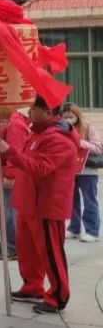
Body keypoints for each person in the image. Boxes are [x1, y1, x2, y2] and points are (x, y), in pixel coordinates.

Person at [0, 97, 78, 314]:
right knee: (28, 249)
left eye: (35, 108)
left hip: (47, 205)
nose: (29, 111)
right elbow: (24, 160)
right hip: (28, 202)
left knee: (50, 252)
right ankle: (33, 286)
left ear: (49, 113)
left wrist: (9, 151)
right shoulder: (37, 131)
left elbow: (39, 167)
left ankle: (59, 295)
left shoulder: (59, 139)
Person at [0, 110, 30, 261]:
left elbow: (16, 150)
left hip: (5, 174)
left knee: (9, 214)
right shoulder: (0, 120)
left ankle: (13, 247)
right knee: (2, 212)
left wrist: (10, 174)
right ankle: (5, 243)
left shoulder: (14, 124)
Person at [61, 103, 101, 243]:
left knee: (89, 201)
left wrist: (79, 142)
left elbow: (97, 148)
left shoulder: (89, 127)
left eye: (70, 117)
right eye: (65, 118)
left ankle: (92, 231)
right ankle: (74, 228)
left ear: (77, 115)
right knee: (72, 201)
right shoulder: (62, 129)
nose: (68, 120)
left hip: (88, 171)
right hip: (70, 170)